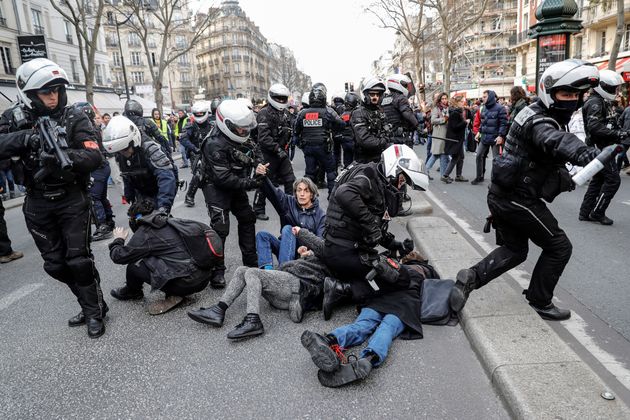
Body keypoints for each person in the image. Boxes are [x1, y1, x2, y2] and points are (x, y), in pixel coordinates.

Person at [450, 59, 604, 321]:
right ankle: (540, 300)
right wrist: (587, 154)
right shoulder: (541, 121)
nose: (572, 101)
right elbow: (553, 140)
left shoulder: (534, 111)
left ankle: (470, 277)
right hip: (517, 200)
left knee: (515, 250)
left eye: (576, 95)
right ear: (549, 91)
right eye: (566, 94)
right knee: (559, 246)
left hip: (504, 194)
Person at [0, 58, 107, 338]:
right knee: (55, 265)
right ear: (30, 93)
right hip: (36, 201)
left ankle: (94, 310)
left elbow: (94, 155)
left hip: (72, 198)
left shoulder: (74, 117)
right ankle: (89, 299)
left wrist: (64, 157)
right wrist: (26, 139)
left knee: (78, 260)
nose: (53, 96)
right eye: (46, 91)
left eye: (57, 90)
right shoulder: (13, 118)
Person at [321, 144, 429, 319]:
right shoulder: (368, 176)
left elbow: (374, 224)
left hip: (343, 249)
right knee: (400, 278)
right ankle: (341, 290)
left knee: (387, 269)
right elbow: (344, 193)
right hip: (345, 252)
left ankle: (348, 285)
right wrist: (371, 226)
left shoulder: (376, 178)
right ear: (394, 168)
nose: (402, 185)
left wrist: (394, 244)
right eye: (402, 179)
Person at [187, 227, 328, 338]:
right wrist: (307, 255)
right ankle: (219, 310)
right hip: (285, 289)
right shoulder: (328, 250)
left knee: (253, 272)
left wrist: (301, 232)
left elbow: (321, 250)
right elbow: (318, 253)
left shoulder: (334, 254)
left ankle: (253, 320)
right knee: (242, 270)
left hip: (296, 287)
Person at [300, 262, 424, 387]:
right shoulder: (423, 274)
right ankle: (369, 359)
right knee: (386, 329)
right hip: (404, 306)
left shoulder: (395, 268)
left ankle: (329, 340)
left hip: (380, 300)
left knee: (362, 326)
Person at [108, 198, 214, 315]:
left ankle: (133, 291)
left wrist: (118, 239)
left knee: (134, 264)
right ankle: (177, 289)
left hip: (186, 284)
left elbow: (119, 256)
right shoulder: (169, 220)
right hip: (204, 277)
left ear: (136, 219)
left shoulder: (145, 233)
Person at [200, 99, 261, 288]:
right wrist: (251, 182)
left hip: (236, 182)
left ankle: (251, 263)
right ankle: (217, 272)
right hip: (215, 185)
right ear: (226, 124)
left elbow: (255, 149)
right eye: (240, 128)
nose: (244, 131)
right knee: (220, 227)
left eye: (245, 128)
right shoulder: (213, 144)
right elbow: (223, 178)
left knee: (247, 217)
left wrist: (258, 163)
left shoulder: (241, 133)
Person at [578, 69, 626, 225]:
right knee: (613, 180)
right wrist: (617, 135)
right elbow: (595, 127)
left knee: (598, 179)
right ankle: (597, 212)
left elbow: (604, 124)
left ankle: (585, 212)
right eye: (613, 88)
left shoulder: (599, 101)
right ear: (604, 86)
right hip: (601, 147)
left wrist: (619, 131)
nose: (616, 91)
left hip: (600, 146)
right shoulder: (595, 102)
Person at [254, 165, 325, 269]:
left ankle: (284, 271)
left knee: (288, 228)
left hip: (304, 255)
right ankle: (267, 271)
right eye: (299, 190)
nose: (302, 194)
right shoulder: (288, 203)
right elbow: (273, 193)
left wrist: (310, 252)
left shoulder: (320, 215)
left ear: (312, 194)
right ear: (295, 193)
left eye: (306, 191)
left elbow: (321, 242)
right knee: (262, 235)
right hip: (286, 249)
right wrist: (262, 176)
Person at [102, 115, 177, 214]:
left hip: (158, 190)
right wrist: (129, 194)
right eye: (119, 151)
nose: (123, 153)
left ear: (133, 141)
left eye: (124, 149)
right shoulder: (121, 153)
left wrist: (163, 207)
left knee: (158, 222)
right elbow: (126, 173)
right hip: (141, 192)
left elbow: (167, 178)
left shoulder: (150, 149)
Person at [252, 83, 296, 221]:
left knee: (290, 180)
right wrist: (277, 149)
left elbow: (290, 130)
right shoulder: (264, 113)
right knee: (264, 183)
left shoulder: (286, 113)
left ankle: (290, 206)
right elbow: (263, 138)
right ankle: (258, 209)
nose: (281, 101)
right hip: (267, 154)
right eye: (279, 98)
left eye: (284, 98)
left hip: (281, 153)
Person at [73, 102, 115, 241]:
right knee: (101, 197)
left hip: (97, 168)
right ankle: (109, 222)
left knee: (94, 198)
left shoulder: (87, 129)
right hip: (102, 166)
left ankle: (102, 226)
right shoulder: (94, 127)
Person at [294, 85, 345, 196]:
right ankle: (332, 197)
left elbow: (296, 132)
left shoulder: (302, 113)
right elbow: (341, 124)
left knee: (309, 174)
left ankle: (307, 197)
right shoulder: (328, 111)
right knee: (331, 173)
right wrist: (331, 128)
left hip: (308, 148)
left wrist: (302, 145)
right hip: (324, 147)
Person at [180, 101, 214, 207]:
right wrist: (194, 148)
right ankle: (189, 196)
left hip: (210, 152)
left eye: (201, 113)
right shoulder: (190, 125)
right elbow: (183, 139)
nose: (199, 115)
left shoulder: (212, 125)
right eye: (197, 113)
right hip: (196, 153)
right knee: (199, 172)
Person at [470, 90, 508, 185]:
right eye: (482, 96)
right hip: (485, 137)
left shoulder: (500, 108)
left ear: (490, 97)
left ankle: (494, 181)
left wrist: (500, 136)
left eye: (485, 96)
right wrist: (479, 132)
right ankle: (479, 176)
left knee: (496, 160)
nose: (482, 98)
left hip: (495, 139)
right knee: (479, 156)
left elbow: (504, 124)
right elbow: (483, 123)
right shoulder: (484, 108)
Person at [351, 77, 390, 163]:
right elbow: (364, 139)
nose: (375, 97)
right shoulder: (358, 113)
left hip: (381, 156)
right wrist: (383, 142)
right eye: (372, 94)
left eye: (378, 94)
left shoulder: (379, 111)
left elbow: (387, 130)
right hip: (365, 160)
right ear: (365, 95)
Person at [382, 74, 419, 148]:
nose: (407, 88)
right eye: (405, 85)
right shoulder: (401, 98)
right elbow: (407, 114)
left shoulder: (384, 99)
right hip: (401, 137)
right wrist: (418, 126)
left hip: (388, 137)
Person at [441, 95, 469, 183]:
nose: (463, 103)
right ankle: (445, 175)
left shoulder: (457, 111)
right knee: (456, 157)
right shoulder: (455, 113)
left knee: (461, 156)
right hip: (455, 139)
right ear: (457, 102)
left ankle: (458, 175)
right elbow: (455, 127)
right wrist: (465, 123)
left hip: (458, 139)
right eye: (461, 102)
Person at [426, 92, 450, 178]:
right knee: (435, 154)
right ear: (440, 100)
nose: (444, 100)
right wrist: (444, 119)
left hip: (446, 135)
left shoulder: (447, 108)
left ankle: (443, 176)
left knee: (444, 155)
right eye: (442, 99)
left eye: (445, 98)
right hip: (439, 134)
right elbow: (433, 120)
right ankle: (425, 171)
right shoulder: (436, 108)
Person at [339, 92, 359, 167]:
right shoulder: (356, 114)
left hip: (345, 142)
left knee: (347, 164)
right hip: (354, 142)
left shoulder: (343, 115)